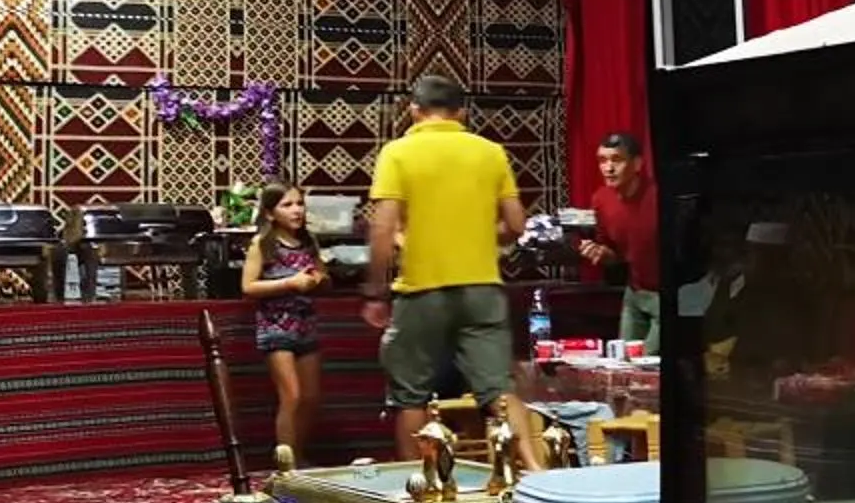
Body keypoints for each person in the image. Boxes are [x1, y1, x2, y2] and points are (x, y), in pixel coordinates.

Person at [361, 72, 545, 469]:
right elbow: (516, 224)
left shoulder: (398, 153)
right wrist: (475, 233)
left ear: (413, 110)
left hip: (422, 290)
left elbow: (382, 228)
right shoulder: (490, 152)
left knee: (410, 395)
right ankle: (536, 471)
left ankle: (418, 481)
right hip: (483, 289)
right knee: (499, 388)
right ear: (461, 113)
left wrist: (375, 291)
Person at [240, 183, 326, 460]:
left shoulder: (309, 242)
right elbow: (248, 286)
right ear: (269, 213)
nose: (296, 210)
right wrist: (289, 283)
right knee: (292, 396)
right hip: (276, 325)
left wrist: (318, 279)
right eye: (287, 205)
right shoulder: (263, 244)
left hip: (306, 325)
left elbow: (321, 273)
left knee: (310, 398)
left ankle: (298, 455)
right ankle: (286, 466)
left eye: (299, 204)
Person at [577, 130, 661, 355]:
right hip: (634, 293)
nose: (608, 168)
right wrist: (601, 253)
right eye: (602, 161)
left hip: (664, 295)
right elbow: (615, 254)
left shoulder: (657, 197)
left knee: (648, 363)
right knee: (624, 363)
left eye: (617, 160)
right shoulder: (601, 199)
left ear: (637, 164)